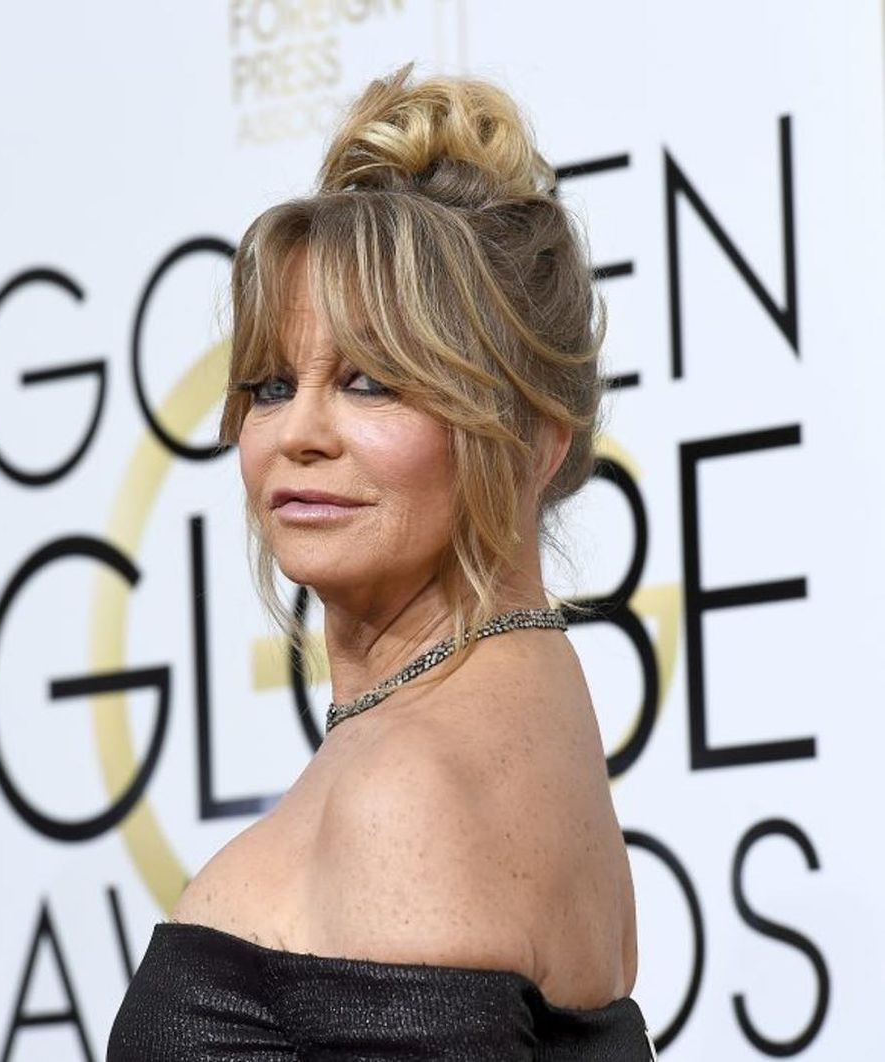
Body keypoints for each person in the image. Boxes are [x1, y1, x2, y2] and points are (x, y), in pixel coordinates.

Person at [107, 61, 656, 1060]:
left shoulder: (406, 790)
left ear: (528, 440)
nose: (296, 435)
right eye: (271, 385)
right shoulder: (533, 702)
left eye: (370, 383)